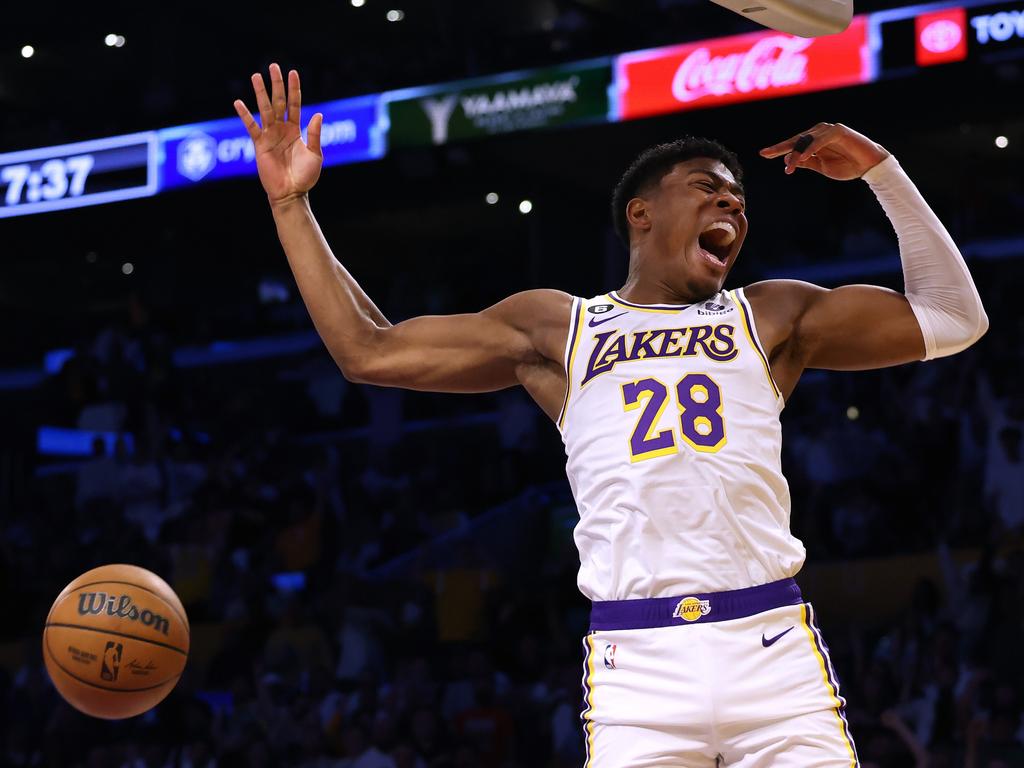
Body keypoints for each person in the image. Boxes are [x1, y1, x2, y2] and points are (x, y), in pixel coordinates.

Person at [234, 64, 988, 767]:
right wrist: (290, 204)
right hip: (640, 669)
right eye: (707, 188)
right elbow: (368, 351)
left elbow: (954, 317)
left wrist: (883, 172)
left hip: (771, 651)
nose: (731, 203)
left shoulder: (771, 314)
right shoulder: (561, 328)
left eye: (739, 200)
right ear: (641, 214)